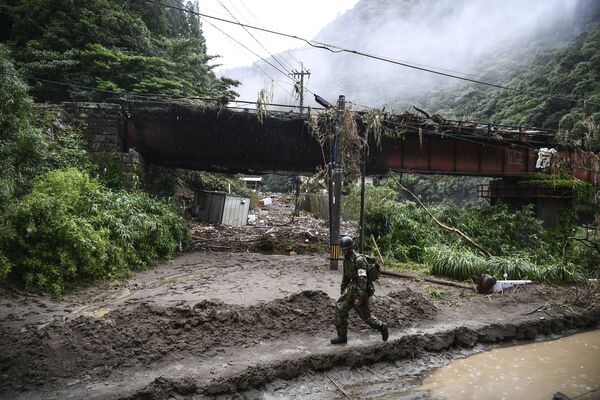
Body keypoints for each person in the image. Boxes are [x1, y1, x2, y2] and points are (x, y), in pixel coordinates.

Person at [331, 236, 389, 344]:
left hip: (361, 290)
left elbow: (363, 280)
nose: (343, 251)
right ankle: (342, 336)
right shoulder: (346, 260)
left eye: (345, 249)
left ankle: (382, 326)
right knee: (340, 309)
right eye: (342, 249)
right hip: (351, 289)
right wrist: (343, 290)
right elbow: (346, 276)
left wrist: (360, 298)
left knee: (366, 317)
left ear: (350, 248)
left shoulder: (359, 261)